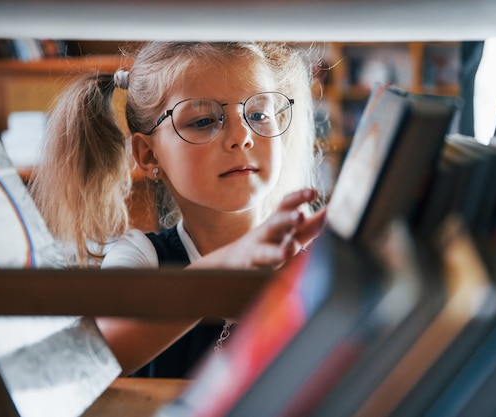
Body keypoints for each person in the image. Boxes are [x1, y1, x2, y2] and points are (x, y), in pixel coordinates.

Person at [30, 41, 327, 378]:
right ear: (149, 155)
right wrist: (231, 265)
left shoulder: (314, 259)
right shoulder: (140, 257)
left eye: (258, 114)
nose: (242, 136)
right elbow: (100, 357)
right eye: (203, 121)